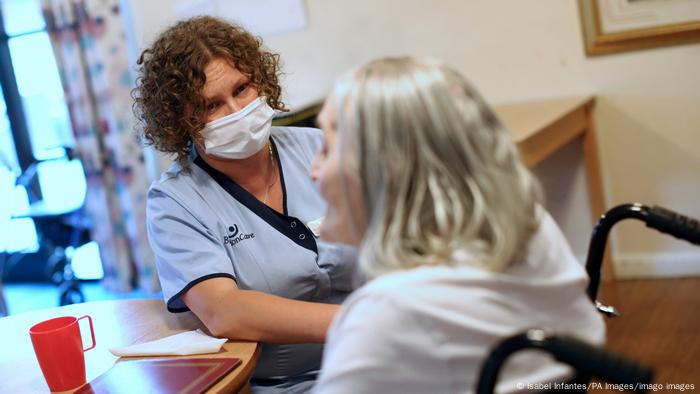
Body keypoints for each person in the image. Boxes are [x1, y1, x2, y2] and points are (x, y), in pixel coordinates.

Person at [309, 57, 605, 393]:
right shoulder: (531, 225)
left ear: (384, 168)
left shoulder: (390, 313)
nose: (313, 170)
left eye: (327, 147)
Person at [132, 16, 355, 393]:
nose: (235, 111)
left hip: (386, 356)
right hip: (294, 384)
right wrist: (364, 320)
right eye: (210, 106)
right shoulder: (175, 202)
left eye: (242, 88)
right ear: (180, 120)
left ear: (260, 79)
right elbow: (224, 310)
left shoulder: (320, 148)